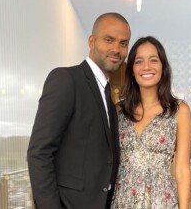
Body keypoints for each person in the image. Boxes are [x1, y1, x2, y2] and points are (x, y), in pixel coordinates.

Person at [27, 12, 131, 209]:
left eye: (123, 43)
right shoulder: (66, 79)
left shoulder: (108, 95)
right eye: (109, 40)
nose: (116, 49)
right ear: (91, 41)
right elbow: (39, 153)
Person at [110, 36, 191, 209]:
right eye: (139, 61)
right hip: (122, 200)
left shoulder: (179, 111)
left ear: (163, 66)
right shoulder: (119, 111)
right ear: (132, 69)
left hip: (161, 201)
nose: (146, 67)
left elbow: (182, 171)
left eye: (153, 60)